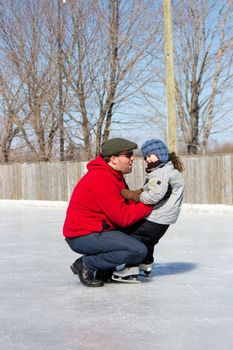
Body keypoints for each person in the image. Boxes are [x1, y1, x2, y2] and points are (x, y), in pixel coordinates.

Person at [63, 138, 153, 287]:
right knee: (137, 251)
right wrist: (149, 205)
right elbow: (122, 217)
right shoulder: (101, 178)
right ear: (113, 159)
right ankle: (86, 264)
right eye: (128, 155)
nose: (133, 158)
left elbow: (125, 202)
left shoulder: (114, 176)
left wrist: (145, 196)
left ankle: (105, 270)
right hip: (82, 235)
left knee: (137, 236)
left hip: (99, 230)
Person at [121, 138, 184, 275]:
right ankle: (146, 263)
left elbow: (154, 196)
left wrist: (134, 195)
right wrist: (141, 191)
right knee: (150, 240)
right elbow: (156, 189)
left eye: (150, 155)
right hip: (166, 217)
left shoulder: (160, 173)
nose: (147, 159)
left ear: (160, 154)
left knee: (137, 237)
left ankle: (131, 267)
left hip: (157, 216)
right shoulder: (167, 169)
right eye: (145, 157)